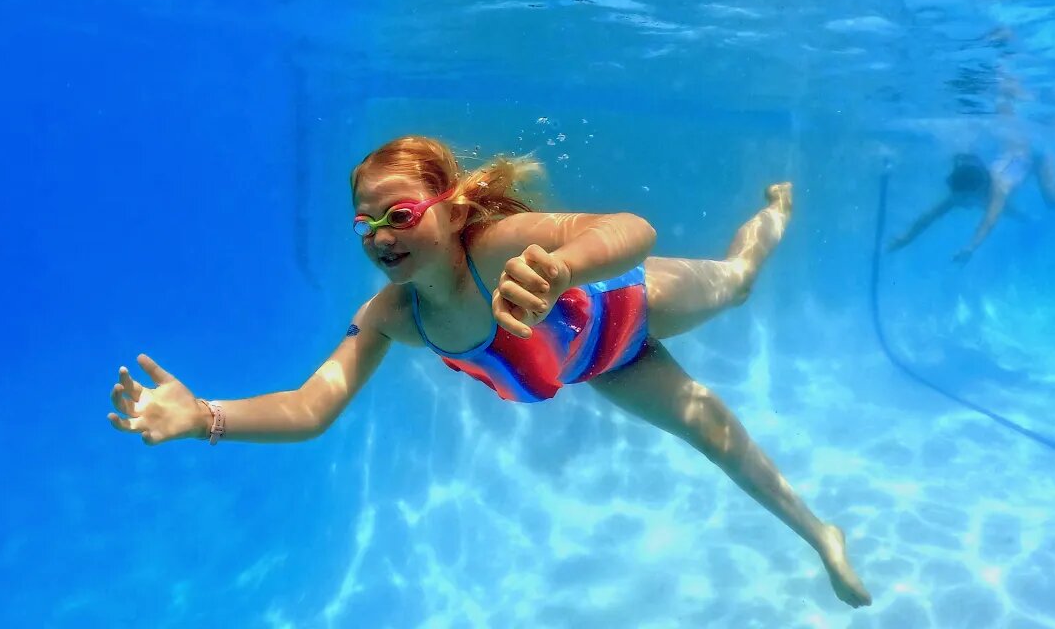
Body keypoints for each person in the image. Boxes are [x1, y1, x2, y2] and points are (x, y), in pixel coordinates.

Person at [107, 135, 872, 608]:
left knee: (736, 285)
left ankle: (770, 220)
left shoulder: (497, 243)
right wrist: (204, 415)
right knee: (713, 436)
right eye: (365, 223)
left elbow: (632, 231)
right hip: (601, 366)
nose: (379, 236)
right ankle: (821, 533)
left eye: (398, 214)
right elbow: (312, 408)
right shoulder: (395, 316)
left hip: (631, 307)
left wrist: (564, 267)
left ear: (449, 208)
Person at [888, 142, 1055, 263]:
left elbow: (989, 222)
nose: (963, 203)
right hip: (1018, 154)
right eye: (961, 198)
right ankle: (1029, 219)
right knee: (1000, 207)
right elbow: (931, 215)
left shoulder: (999, 188)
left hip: (1039, 156)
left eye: (966, 198)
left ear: (978, 189)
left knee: (1053, 201)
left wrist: (971, 247)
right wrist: (907, 237)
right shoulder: (966, 189)